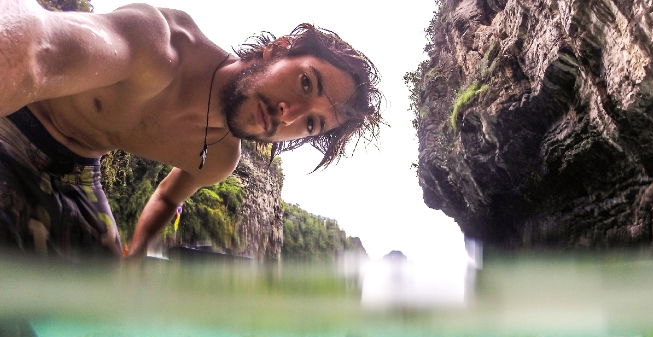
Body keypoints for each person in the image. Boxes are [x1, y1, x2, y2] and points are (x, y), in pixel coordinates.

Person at [0, 0, 382, 258]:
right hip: (15, 120)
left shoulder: (218, 159)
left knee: (92, 307)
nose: (290, 114)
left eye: (311, 124)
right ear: (278, 50)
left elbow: (168, 198)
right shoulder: (161, 46)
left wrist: (137, 252)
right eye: (305, 83)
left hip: (80, 170)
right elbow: (34, 44)